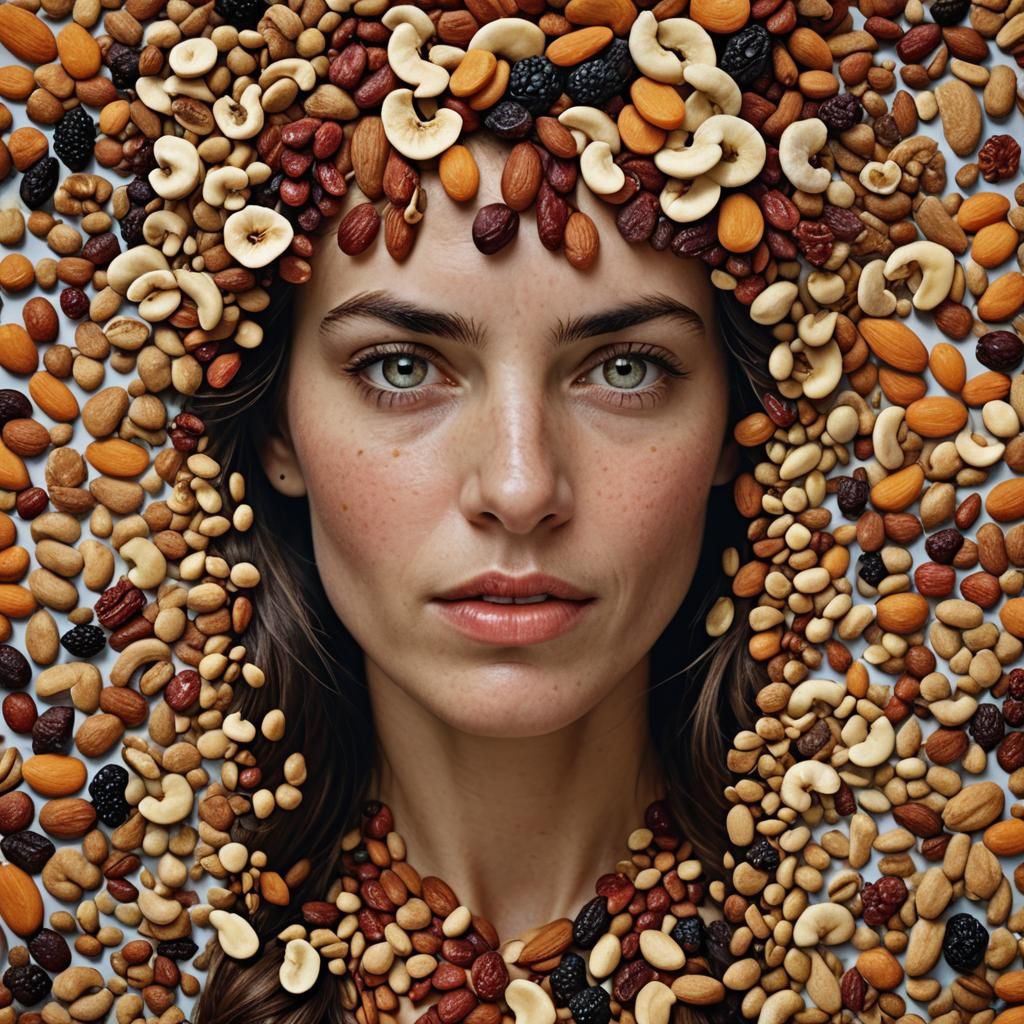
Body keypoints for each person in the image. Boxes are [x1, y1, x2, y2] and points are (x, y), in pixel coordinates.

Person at [190, 128, 779, 1024]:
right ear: (278, 431)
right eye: (402, 366)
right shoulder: (148, 952)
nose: (519, 487)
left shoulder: (860, 948)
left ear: (735, 430)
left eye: (626, 370)